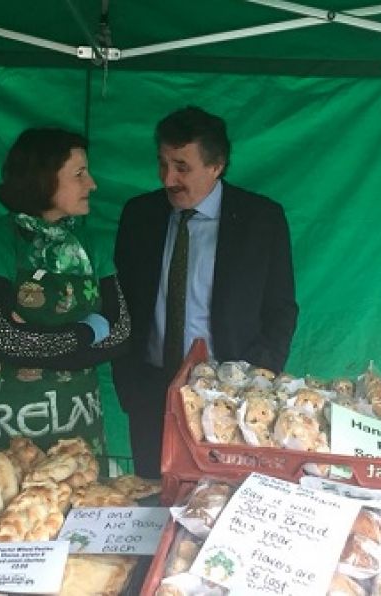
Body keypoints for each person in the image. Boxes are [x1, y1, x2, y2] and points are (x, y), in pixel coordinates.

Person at [112, 106, 298, 478]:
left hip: (230, 393)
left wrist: (257, 379)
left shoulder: (260, 220)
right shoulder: (139, 215)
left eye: (182, 166)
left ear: (217, 165)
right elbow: (122, 300)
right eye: (162, 164)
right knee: (150, 490)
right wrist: (129, 381)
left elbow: (281, 309)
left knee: (221, 498)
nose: (168, 179)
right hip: (151, 390)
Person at [0, 127, 130, 452]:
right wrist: (88, 332)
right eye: (79, 174)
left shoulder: (92, 245)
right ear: (43, 179)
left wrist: (36, 343)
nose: (92, 184)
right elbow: (5, 338)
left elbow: (120, 332)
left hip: (79, 428)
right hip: (1, 427)